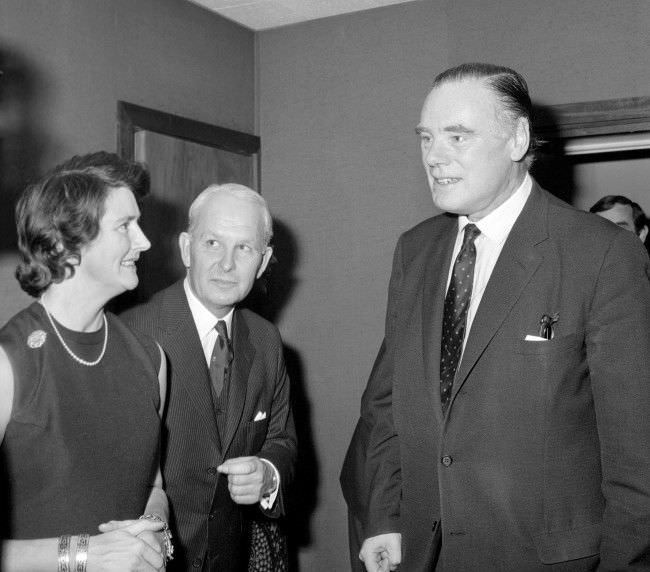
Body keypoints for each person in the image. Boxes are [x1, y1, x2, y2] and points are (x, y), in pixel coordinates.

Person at [341, 63, 650, 571]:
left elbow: (637, 462)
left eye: (457, 136)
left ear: (517, 139)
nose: (434, 157)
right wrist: (384, 516)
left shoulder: (601, 255)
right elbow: (384, 406)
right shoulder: (415, 250)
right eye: (426, 138)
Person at [0, 152, 173, 571]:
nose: (144, 241)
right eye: (124, 226)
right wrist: (82, 555)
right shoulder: (9, 363)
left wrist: (153, 528)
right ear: (65, 242)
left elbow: (154, 486)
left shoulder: (152, 359)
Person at [123, 183, 297, 571]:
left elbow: (281, 440)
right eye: (213, 243)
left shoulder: (267, 341)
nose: (227, 264)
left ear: (264, 261)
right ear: (186, 248)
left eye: (244, 249)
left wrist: (267, 475)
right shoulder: (132, 336)